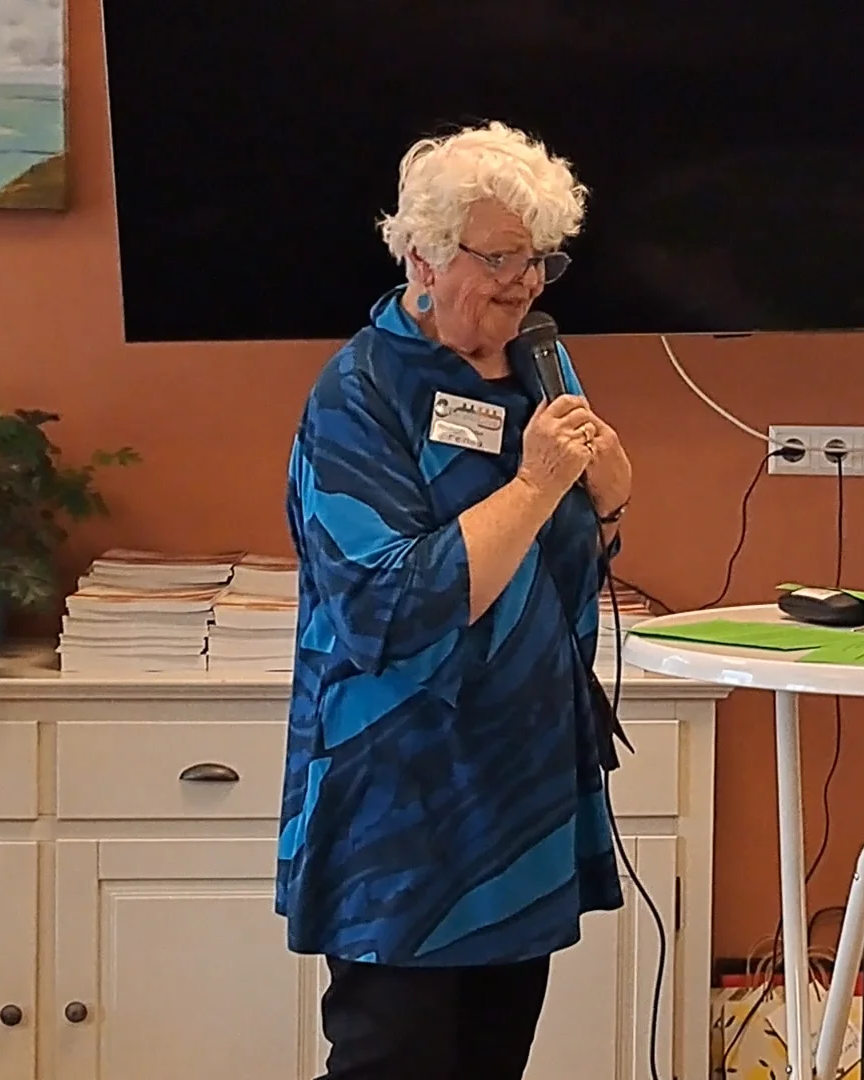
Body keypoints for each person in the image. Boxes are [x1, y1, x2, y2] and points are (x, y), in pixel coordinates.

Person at [276, 120, 634, 1080]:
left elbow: (561, 562)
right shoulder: (359, 393)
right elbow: (386, 608)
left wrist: (610, 501)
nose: (524, 284)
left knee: (492, 1058)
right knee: (392, 1059)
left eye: (540, 260)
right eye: (500, 258)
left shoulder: (537, 366)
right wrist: (537, 486)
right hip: (403, 801)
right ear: (421, 258)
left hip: (518, 791)